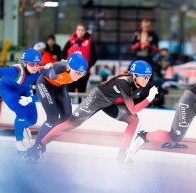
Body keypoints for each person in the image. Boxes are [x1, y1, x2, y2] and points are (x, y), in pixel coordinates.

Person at [24, 60, 158, 162]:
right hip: (97, 98)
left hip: (109, 102)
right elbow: (133, 108)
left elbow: (127, 105)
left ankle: (122, 154)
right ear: (135, 75)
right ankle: (38, 146)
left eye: (148, 77)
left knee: (134, 120)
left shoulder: (139, 84)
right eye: (144, 77)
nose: (146, 80)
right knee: (69, 124)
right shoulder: (125, 83)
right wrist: (149, 98)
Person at [25, 53, 87, 155]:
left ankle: (41, 144)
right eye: (76, 72)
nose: (79, 76)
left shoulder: (80, 72)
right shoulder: (58, 68)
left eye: (81, 73)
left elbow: (76, 69)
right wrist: (47, 68)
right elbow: (40, 69)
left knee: (66, 117)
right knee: (53, 117)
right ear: (69, 68)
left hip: (60, 86)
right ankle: (35, 147)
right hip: (45, 83)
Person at [0, 48, 53, 151]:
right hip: (8, 89)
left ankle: (21, 126)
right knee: (21, 112)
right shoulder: (15, 71)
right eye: (32, 64)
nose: (35, 67)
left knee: (32, 120)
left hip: (24, 90)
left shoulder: (39, 71)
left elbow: (46, 92)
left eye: (37, 64)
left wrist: (31, 99)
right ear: (25, 63)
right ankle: (19, 141)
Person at [62, 23, 97, 101]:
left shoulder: (89, 42)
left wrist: (87, 66)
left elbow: (94, 57)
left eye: (82, 30)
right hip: (71, 72)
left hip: (83, 73)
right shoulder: (71, 41)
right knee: (70, 92)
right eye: (79, 30)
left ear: (85, 32)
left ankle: (79, 110)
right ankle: (68, 110)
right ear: (76, 31)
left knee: (81, 92)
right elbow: (63, 53)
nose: (80, 32)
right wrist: (67, 65)